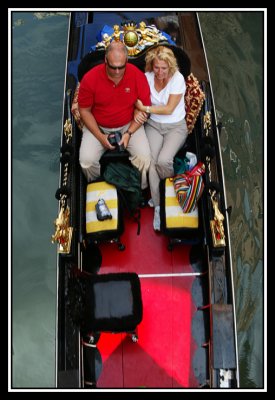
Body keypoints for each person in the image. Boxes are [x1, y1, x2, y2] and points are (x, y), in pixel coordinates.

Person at [78, 41, 151, 190]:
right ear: (106, 60)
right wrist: (100, 136)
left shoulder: (137, 76)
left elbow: (144, 110)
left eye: (121, 67)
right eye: (113, 67)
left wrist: (129, 133)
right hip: (98, 126)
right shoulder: (90, 79)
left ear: (127, 61)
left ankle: (139, 191)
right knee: (86, 161)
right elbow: (84, 111)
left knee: (144, 158)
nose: (117, 71)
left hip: (128, 125)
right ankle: (97, 189)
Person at [135, 45, 188, 231]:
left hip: (176, 127)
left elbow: (169, 109)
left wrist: (145, 109)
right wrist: (138, 109)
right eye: (156, 67)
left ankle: (169, 193)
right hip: (154, 126)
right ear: (152, 65)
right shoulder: (147, 78)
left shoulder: (178, 79)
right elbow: (137, 98)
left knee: (164, 161)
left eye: (163, 68)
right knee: (152, 162)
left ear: (170, 66)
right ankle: (158, 205)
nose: (159, 72)